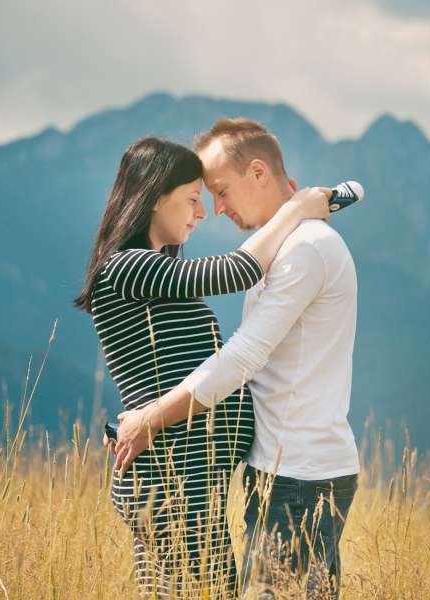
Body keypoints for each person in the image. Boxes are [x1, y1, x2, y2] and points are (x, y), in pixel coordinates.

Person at [73, 136, 331, 599]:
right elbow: (237, 270)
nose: (203, 212)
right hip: (174, 489)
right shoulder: (127, 267)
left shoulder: (147, 271)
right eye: (193, 198)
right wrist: (295, 209)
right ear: (154, 197)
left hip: (187, 487)